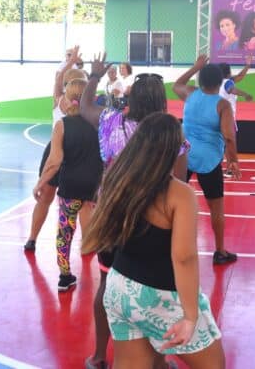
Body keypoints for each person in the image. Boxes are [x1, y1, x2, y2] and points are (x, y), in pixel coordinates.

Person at [82, 113, 225, 368]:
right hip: (160, 295)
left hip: (121, 288)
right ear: (173, 151)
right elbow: (183, 258)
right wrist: (191, 316)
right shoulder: (179, 194)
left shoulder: (118, 179)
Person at [80, 53, 186, 369]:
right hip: (156, 225)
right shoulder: (172, 134)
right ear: (161, 102)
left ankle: (99, 355)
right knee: (158, 289)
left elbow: (85, 107)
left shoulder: (112, 122)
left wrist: (95, 76)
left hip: (112, 219)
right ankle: (157, 358)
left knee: (107, 285)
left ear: (131, 97)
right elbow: (179, 182)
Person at [33, 69, 103, 291]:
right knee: (97, 226)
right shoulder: (99, 124)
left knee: (65, 231)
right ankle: (105, 270)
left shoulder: (62, 125)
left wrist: (41, 183)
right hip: (93, 186)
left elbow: (55, 161)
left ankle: (65, 276)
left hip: (70, 185)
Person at [173, 55, 241, 265]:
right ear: (221, 82)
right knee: (216, 208)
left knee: (173, 201)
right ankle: (220, 251)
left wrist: (196, 66)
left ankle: (168, 244)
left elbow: (177, 84)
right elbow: (229, 136)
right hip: (209, 160)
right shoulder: (222, 105)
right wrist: (234, 161)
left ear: (200, 81)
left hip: (183, 155)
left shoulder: (191, 94)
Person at [24, 52, 88, 252]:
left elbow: (57, 76)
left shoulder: (58, 100)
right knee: (85, 203)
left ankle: (32, 239)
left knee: (45, 197)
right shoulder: (88, 107)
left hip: (56, 153)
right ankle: (87, 244)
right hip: (78, 156)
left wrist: (70, 61)